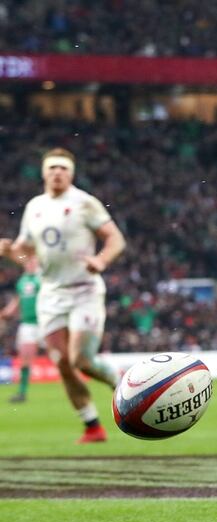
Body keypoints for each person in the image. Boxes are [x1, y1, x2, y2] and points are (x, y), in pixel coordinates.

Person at [0, 148, 126, 444]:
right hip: (51, 294)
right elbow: (25, 255)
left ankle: (121, 382)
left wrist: (102, 261)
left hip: (84, 290)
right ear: (44, 172)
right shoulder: (34, 207)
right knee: (62, 363)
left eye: (63, 168)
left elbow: (116, 238)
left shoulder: (85, 203)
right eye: (52, 167)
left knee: (81, 360)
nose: (57, 172)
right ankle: (92, 426)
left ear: (71, 173)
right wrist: (9, 253)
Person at [1, 256, 42, 403]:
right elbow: (18, 300)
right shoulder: (22, 281)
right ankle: (22, 393)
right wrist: (7, 311)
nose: (31, 264)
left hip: (45, 322)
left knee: (63, 359)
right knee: (25, 358)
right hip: (28, 324)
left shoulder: (43, 279)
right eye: (28, 262)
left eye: (33, 261)